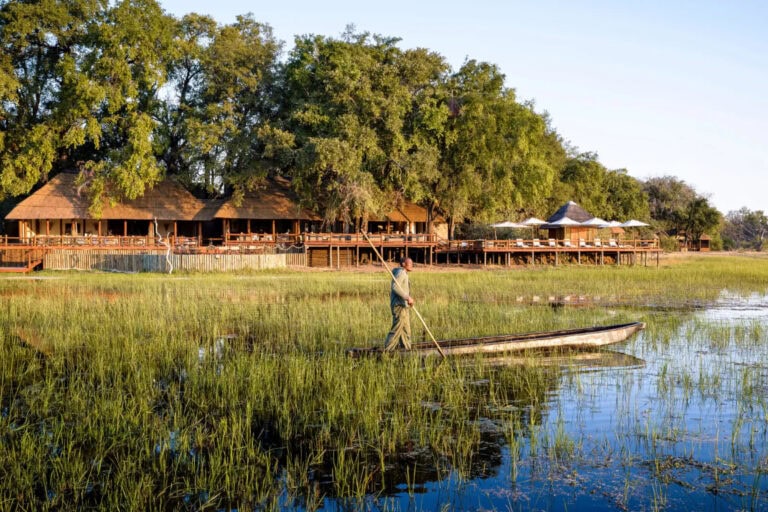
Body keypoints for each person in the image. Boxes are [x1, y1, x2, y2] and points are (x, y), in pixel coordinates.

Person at [384, 256, 414, 351]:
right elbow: (395, 287)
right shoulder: (401, 273)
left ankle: (406, 349)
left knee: (406, 330)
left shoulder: (404, 273)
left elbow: (402, 288)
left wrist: (408, 300)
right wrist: (407, 297)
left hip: (403, 305)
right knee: (397, 329)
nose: (412, 265)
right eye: (410, 263)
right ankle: (387, 350)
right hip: (399, 306)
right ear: (404, 264)